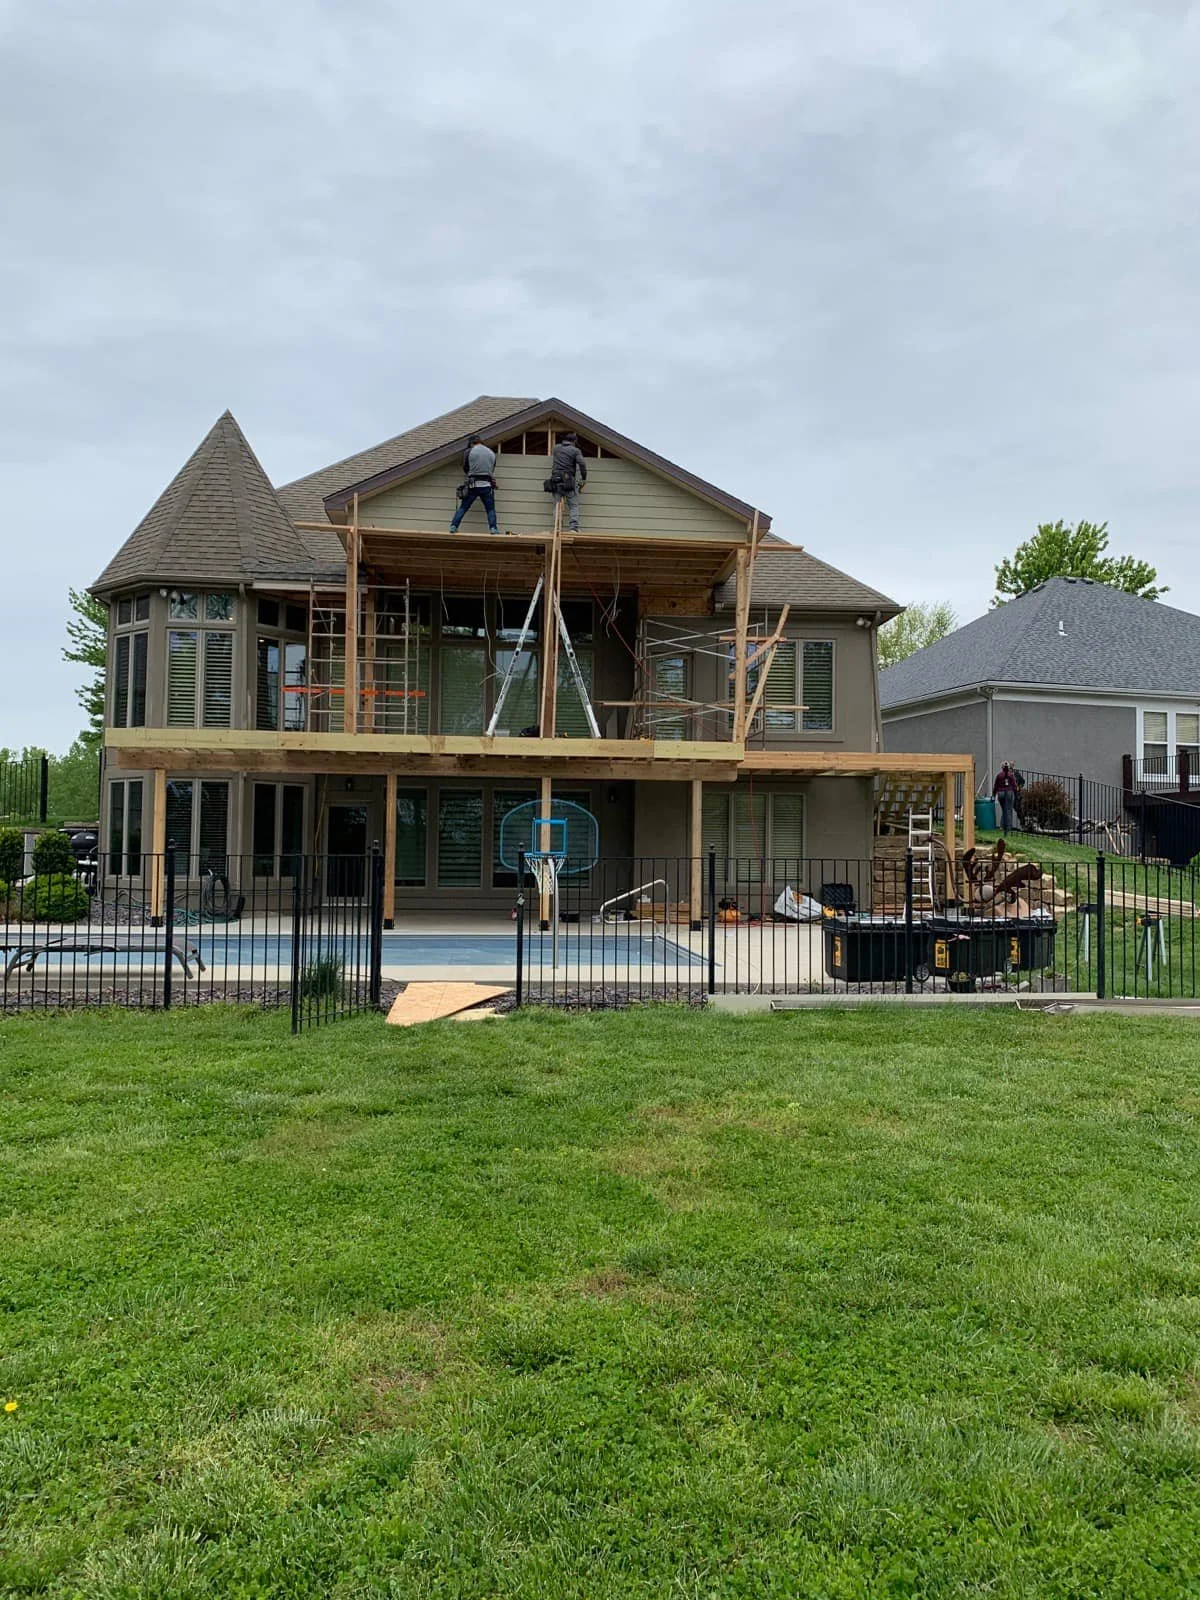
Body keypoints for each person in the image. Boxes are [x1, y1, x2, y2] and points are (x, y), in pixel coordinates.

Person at [450, 435, 499, 534]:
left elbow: (465, 467)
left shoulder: (469, 451)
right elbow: (491, 469)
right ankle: (493, 528)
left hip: (473, 485)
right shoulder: (491, 453)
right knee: (490, 509)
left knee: (463, 507)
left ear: (472, 443)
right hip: (486, 486)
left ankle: (454, 526)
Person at [547, 431, 587, 530]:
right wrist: (583, 478)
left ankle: (557, 528)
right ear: (574, 441)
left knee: (557, 505)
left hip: (555, 480)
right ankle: (574, 528)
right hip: (568, 481)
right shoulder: (575, 450)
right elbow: (582, 464)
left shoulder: (556, 448)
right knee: (573, 505)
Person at [993, 761, 1021, 832]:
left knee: (1005, 810)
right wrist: (1016, 795)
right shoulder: (1011, 775)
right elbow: (1014, 786)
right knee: (1008, 809)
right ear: (1008, 768)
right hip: (1009, 793)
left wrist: (993, 795)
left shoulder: (999, 775)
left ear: (1001, 767)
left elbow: (995, 786)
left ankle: (1002, 826)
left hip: (1000, 793)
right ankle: (1008, 827)